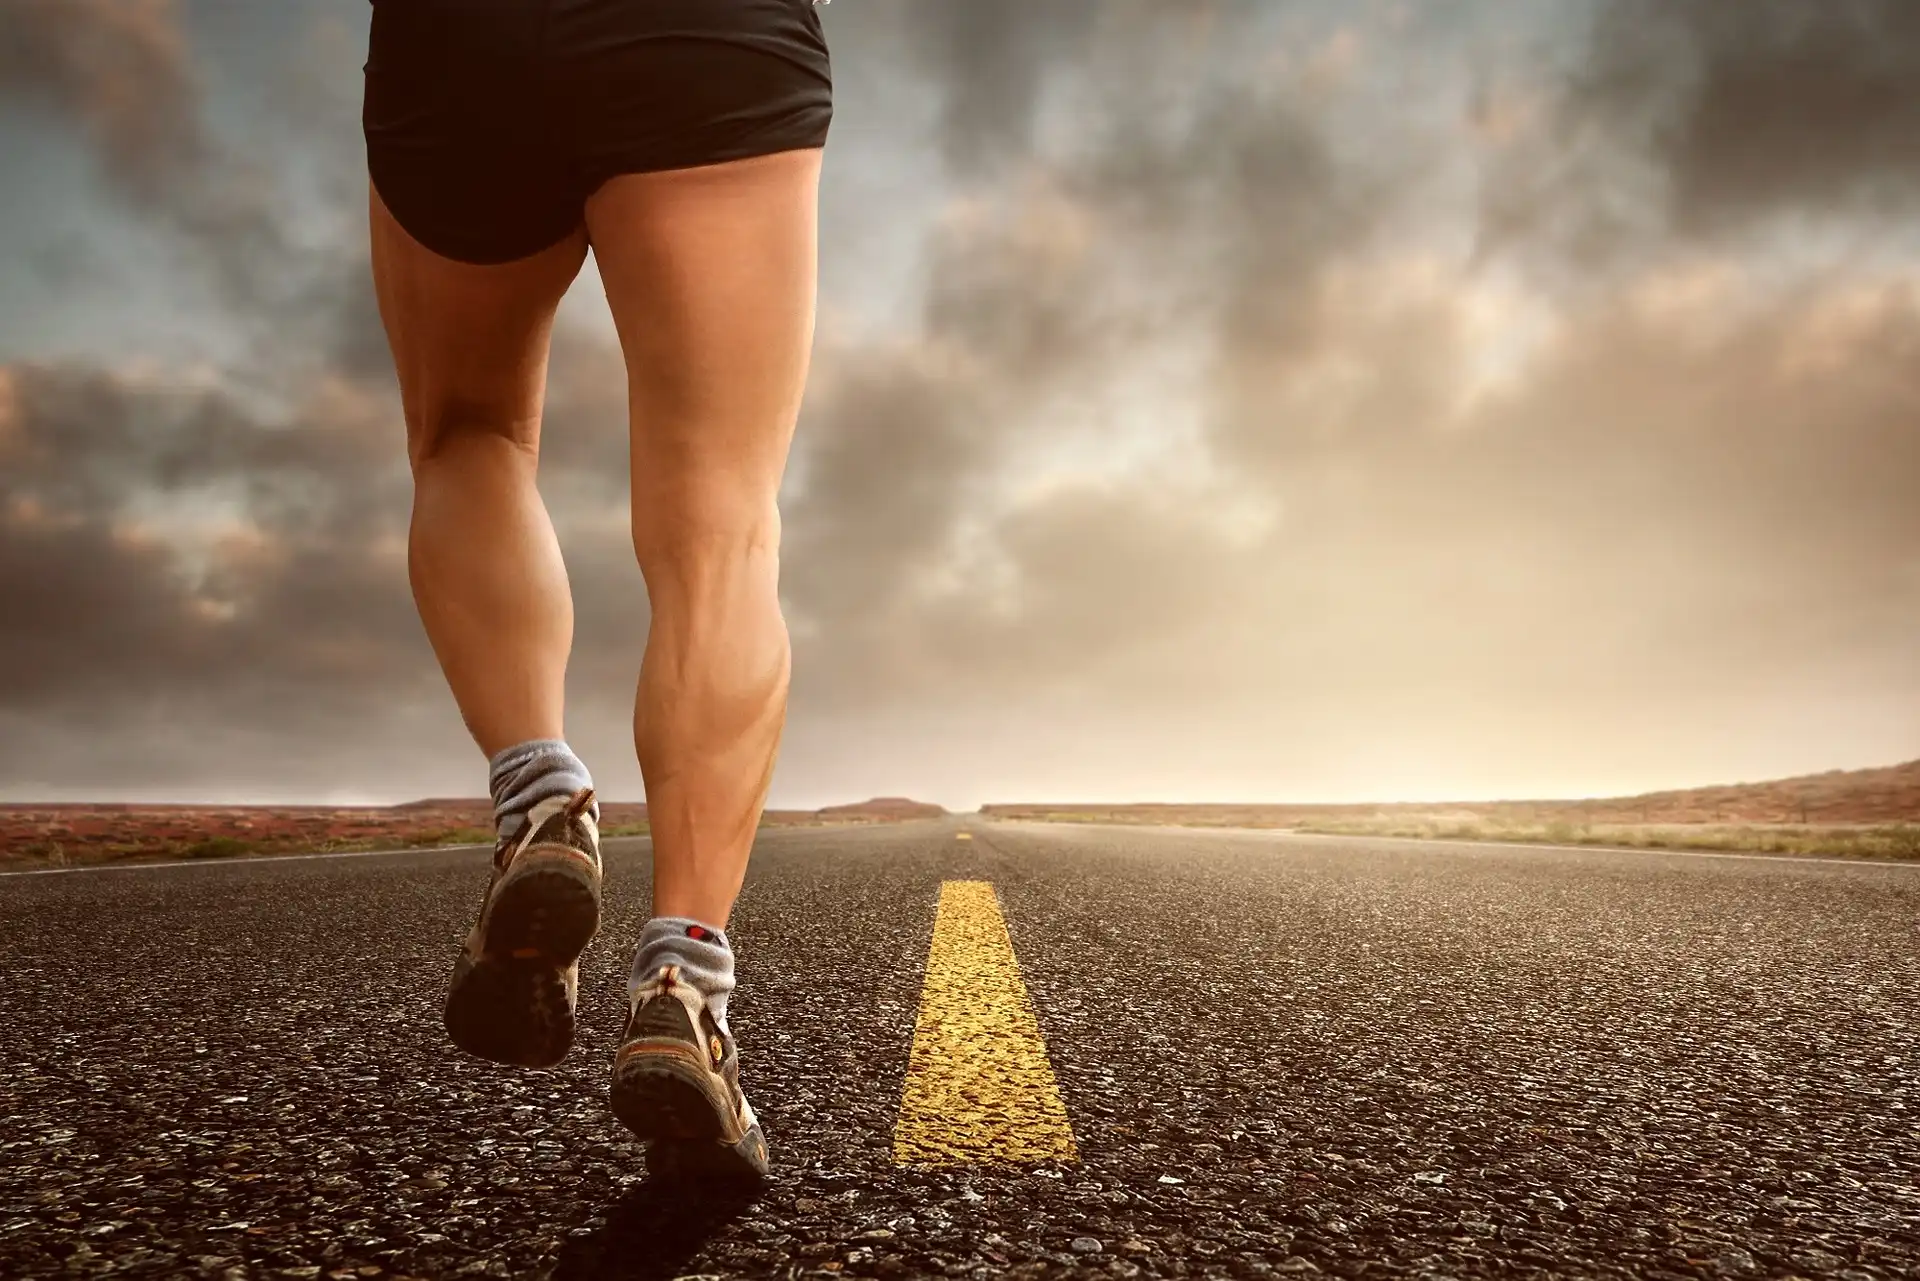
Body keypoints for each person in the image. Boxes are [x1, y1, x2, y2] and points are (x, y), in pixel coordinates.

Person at [361, 0, 831, 1185]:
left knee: (468, 432)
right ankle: (683, 982)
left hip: (457, 39)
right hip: (708, 37)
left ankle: (541, 791)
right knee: (721, 528)